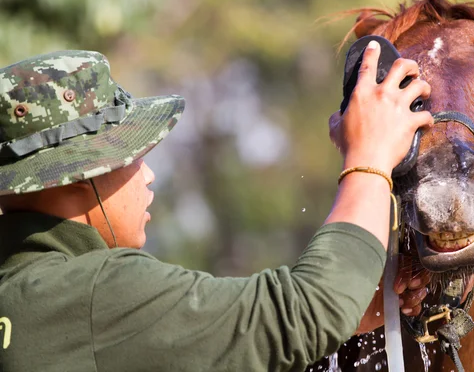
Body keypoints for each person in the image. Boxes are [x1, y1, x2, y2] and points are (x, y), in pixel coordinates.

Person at [0, 42, 432, 371]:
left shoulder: (27, 294)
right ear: (82, 176)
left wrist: (362, 299)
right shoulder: (94, 295)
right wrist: (369, 156)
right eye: (133, 156)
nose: (148, 176)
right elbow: (308, 312)